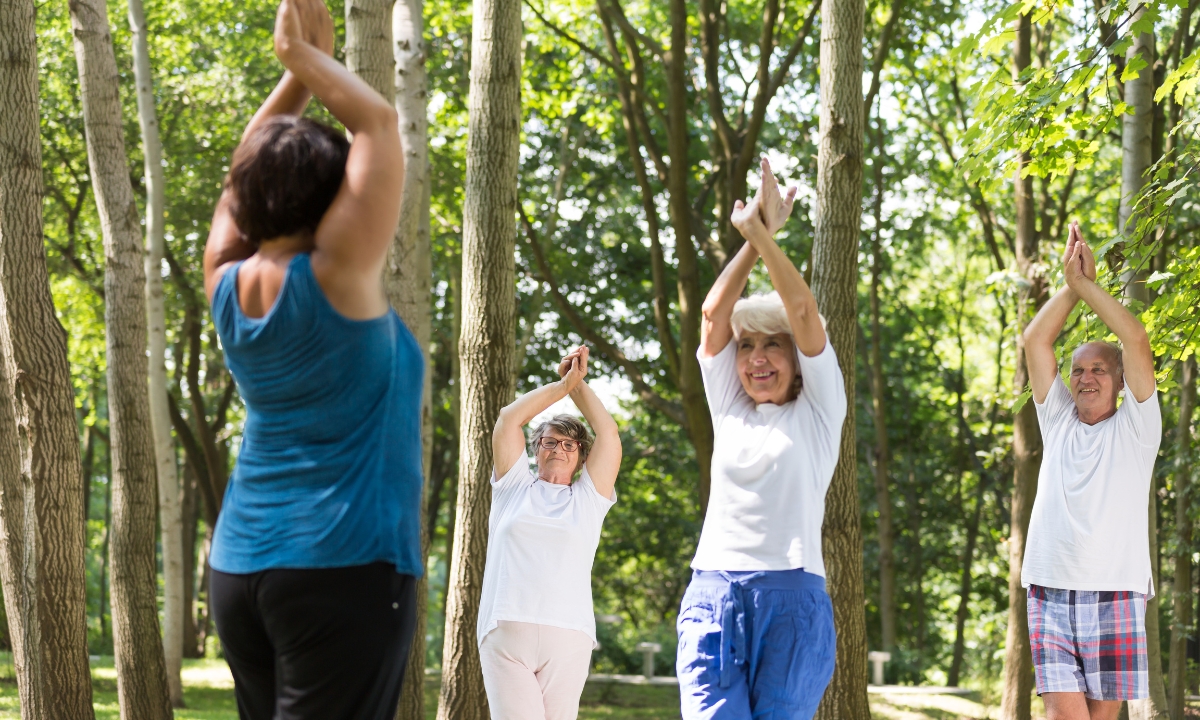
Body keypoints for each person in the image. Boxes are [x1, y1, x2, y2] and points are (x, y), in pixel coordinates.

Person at [202, 0, 421, 717]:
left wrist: (294, 76)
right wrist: (301, 59)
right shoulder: (337, 275)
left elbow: (249, 168)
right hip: (341, 566)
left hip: (240, 571)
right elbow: (379, 125)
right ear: (332, 201)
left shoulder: (226, 281)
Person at [676, 158, 846, 720]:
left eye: (771, 345)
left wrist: (760, 235)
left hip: (793, 597)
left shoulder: (820, 411)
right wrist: (756, 236)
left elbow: (801, 308)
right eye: (746, 348)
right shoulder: (729, 407)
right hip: (715, 593)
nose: (755, 359)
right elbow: (712, 313)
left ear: (797, 362)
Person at [1021, 222, 1161, 720]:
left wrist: (1088, 288)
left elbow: (1135, 337)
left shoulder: (1138, 428)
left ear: (1121, 381)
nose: (1085, 377)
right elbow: (1036, 341)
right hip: (1049, 589)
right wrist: (1069, 285)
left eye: (1099, 369)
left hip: (1116, 590)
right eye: (1077, 370)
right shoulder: (1057, 419)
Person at [478, 345, 622, 720]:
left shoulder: (589, 499)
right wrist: (562, 385)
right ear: (535, 450)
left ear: (581, 456)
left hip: (569, 635)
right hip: (507, 630)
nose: (559, 448)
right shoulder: (513, 489)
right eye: (549, 441)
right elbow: (509, 418)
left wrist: (579, 385)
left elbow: (607, 431)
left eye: (569, 444)